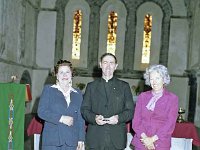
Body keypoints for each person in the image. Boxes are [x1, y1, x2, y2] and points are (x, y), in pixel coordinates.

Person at [81, 53, 134, 150]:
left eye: (111, 63)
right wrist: (94, 118)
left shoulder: (124, 86)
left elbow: (130, 111)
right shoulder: (91, 86)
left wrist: (118, 118)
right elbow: (84, 109)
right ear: (100, 65)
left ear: (116, 66)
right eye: (105, 62)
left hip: (117, 139)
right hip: (95, 138)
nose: (108, 66)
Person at [38, 59, 85, 150]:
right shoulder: (48, 90)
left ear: (72, 74)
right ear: (56, 75)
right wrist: (61, 118)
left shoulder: (78, 94)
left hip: (71, 141)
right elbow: (41, 112)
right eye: (61, 72)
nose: (64, 75)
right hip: (52, 141)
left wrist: (81, 139)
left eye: (67, 72)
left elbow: (80, 119)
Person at [132, 64, 179, 150]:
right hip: (141, 141)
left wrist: (152, 140)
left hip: (161, 143)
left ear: (164, 79)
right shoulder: (143, 96)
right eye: (151, 79)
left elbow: (169, 124)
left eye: (157, 78)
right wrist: (146, 139)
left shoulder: (172, 99)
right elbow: (136, 121)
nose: (154, 82)